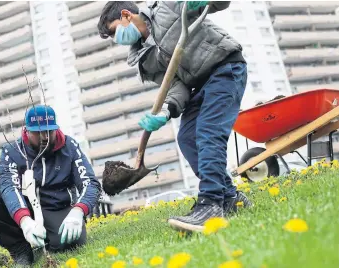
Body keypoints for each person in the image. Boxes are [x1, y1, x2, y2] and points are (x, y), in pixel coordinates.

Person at [97, 1, 251, 232]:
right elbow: (175, 86)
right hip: (198, 86)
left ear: (126, 15)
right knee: (187, 138)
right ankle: (230, 197)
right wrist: (167, 111)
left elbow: (220, 3)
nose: (115, 39)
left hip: (225, 69)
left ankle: (210, 203)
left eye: (113, 31)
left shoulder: (168, 7)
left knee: (208, 133)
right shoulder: (144, 58)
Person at [0, 105, 101, 265]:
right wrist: (25, 220)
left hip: (57, 207)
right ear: (26, 130)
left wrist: (78, 211)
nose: (44, 137)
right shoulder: (11, 152)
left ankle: (47, 241)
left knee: (70, 243)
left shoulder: (70, 147)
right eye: (38, 132)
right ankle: (20, 248)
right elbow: (9, 187)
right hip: (26, 207)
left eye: (49, 131)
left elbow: (90, 183)